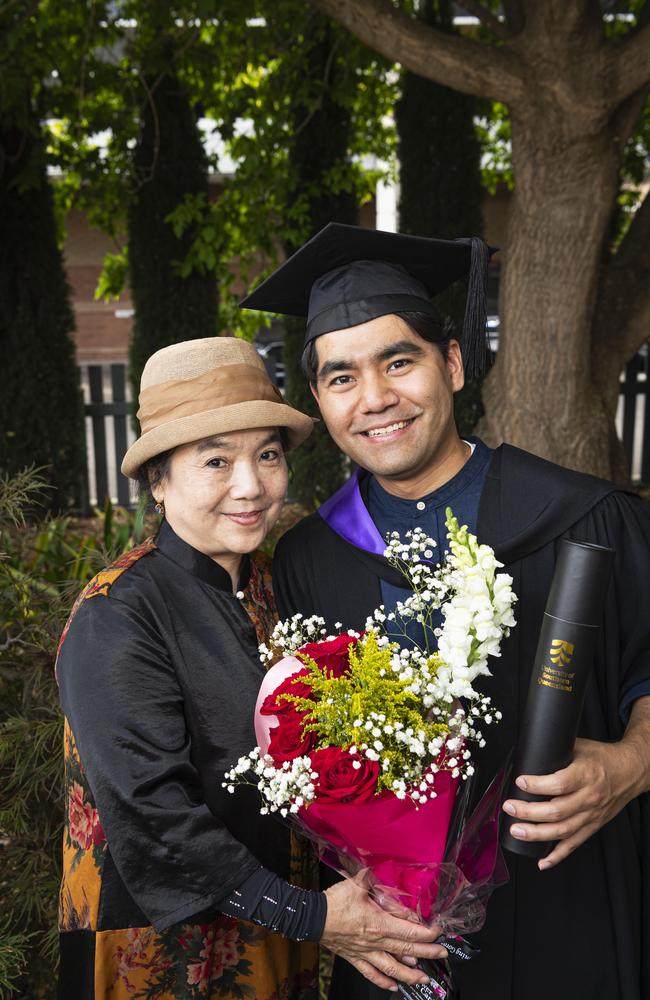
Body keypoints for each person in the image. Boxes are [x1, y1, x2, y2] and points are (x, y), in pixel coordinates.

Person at [240, 223, 650, 1000]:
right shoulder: (307, 563)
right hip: (399, 948)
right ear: (320, 401)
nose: (375, 399)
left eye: (399, 362)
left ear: (453, 364)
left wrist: (631, 763)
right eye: (341, 377)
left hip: (572, 911)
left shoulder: (581, 515)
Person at [55, 336, 448, 1000]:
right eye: (216, 460)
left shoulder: (274, 587)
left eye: (267, 455)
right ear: (157, 478)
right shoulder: (118, 612)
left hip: (274, 934)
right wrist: (315, 915)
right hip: (157, 952)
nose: (252, 486)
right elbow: (151, 813)